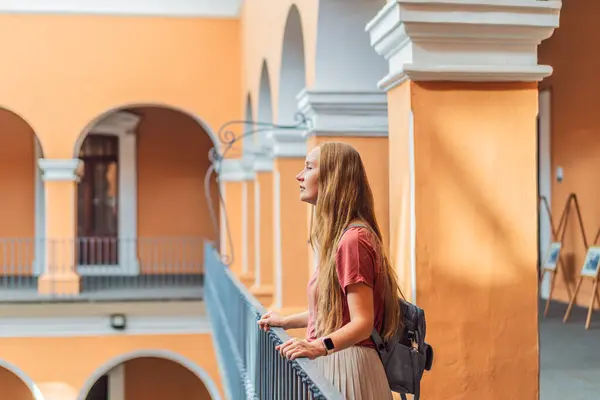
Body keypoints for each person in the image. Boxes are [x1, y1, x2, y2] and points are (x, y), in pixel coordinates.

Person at [257, 142, 403, 399]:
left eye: (309, 167)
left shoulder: (353, 240)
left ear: (332, 178)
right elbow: (334, 313)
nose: (299, 175)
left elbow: (362, 322)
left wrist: (316, 347)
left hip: (348, 368)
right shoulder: (341, 238)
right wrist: (285, 321)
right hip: (337, 362)